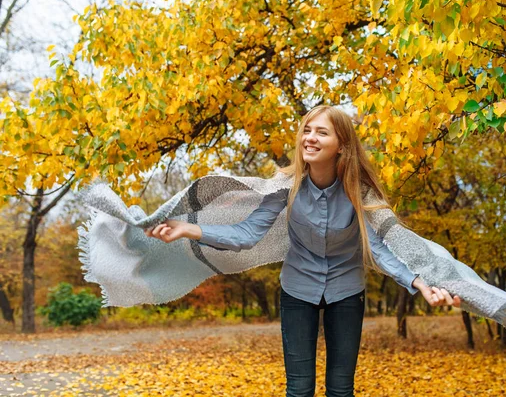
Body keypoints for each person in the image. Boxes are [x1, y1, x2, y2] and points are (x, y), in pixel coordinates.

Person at [144, 105, 461, 397]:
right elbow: (247, 234)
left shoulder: (358, 191)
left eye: (321, 132)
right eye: (307, 130)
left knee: (340, 389)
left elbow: (378, 248)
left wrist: (418, 282)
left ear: (342, 145)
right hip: (297, 290)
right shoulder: (285, 186)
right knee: (299, 389)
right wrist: (189, 229)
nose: (310, 138)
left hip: (347, 291)